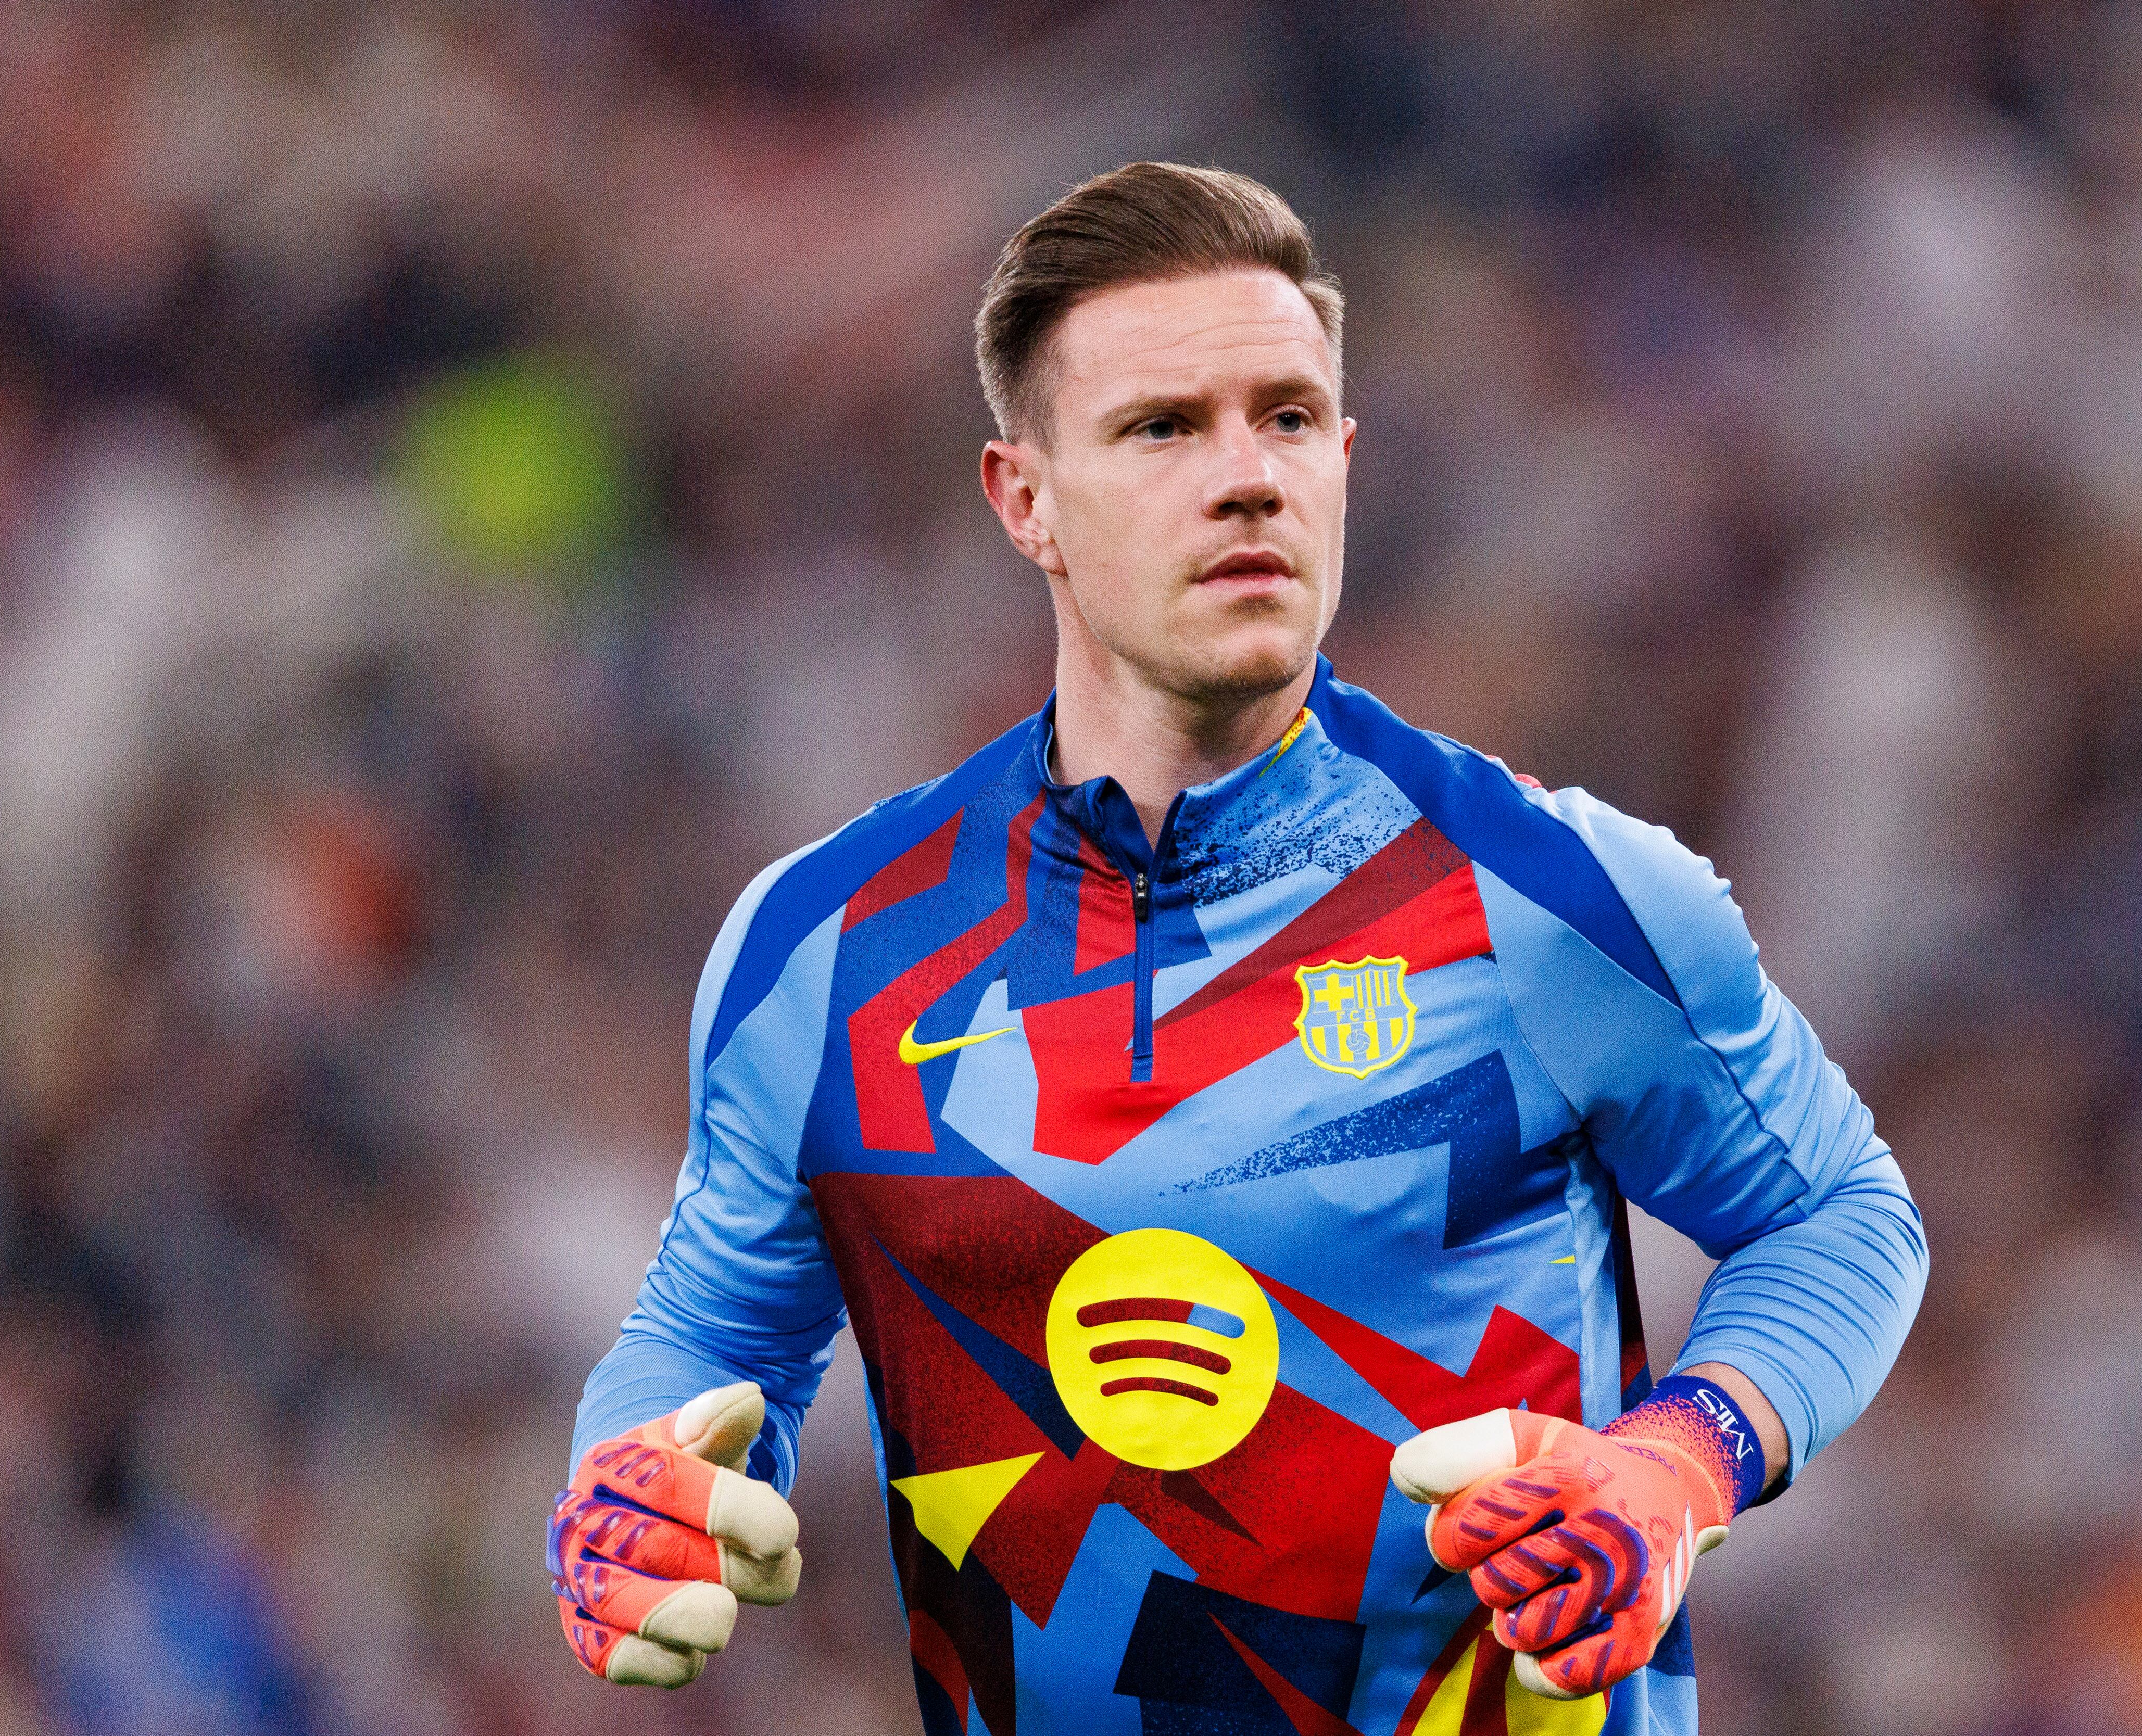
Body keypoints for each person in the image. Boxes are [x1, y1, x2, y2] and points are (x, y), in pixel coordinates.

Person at [548, 162, 1926, 1736]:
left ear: (1345, 466)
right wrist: (633, 1477)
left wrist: (1683, 1461)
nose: (1248, 477)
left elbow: (1842, 1219)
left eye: (1286, 420)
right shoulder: (824, 951)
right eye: (1162, 429)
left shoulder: (1551, 896)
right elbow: (713, 1331)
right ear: (1024, 501)